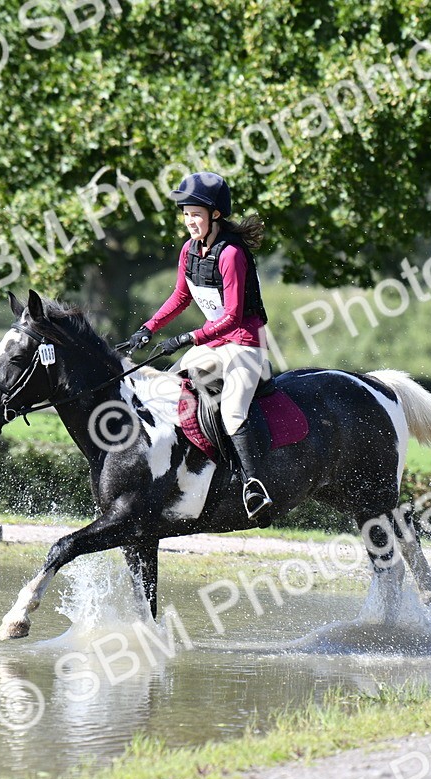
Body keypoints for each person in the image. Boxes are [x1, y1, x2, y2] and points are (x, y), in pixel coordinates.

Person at [126, 171, 274, 519]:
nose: (189, 220)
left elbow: (235, 317)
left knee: (233, 411)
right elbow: (180, 296)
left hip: (244, 343)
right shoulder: (190, 250)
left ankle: (253, 486)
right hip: (213, 342)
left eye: (195, 214)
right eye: (186, 213)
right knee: (170, 390)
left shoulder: (231, 254)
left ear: (215, 215)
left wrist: (186, 338)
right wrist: (148, 328)